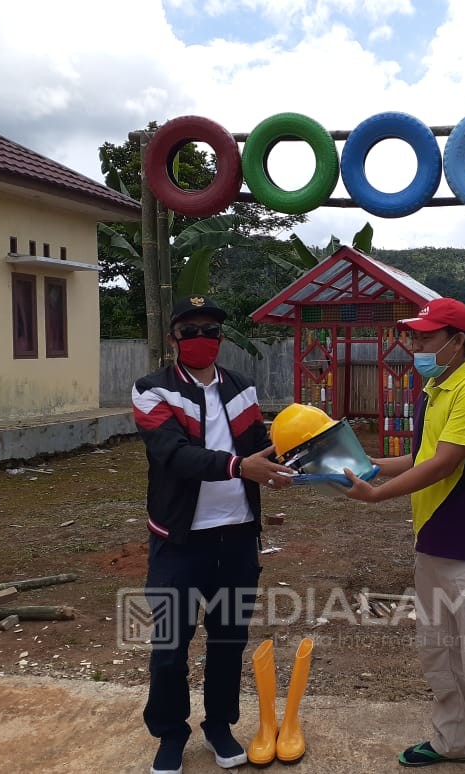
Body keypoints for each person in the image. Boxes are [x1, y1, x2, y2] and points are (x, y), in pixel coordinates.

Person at [344, 298, 465, 773]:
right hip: (433, 546)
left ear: (457, 341)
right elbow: (421, 457)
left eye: (425, 337)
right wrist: (367, 465)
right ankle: (450, 743)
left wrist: (376, 495)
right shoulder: (434, 391)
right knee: (439, 654)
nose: (415, 345)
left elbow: (446, 463)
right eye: (414, 336)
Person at [132, 295, 294, 774]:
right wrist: (240, 465)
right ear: (173, 338)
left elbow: (260, 444)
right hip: (179, 543)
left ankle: (220, 725)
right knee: (169, 647)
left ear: (221, 338)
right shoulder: (152, 390)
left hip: (237, 539)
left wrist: (296, 458)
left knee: (227, 642)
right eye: (190, 330)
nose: (201, 338)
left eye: (210, 330)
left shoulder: (242, 388)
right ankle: (170, 733)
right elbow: (173, 454)